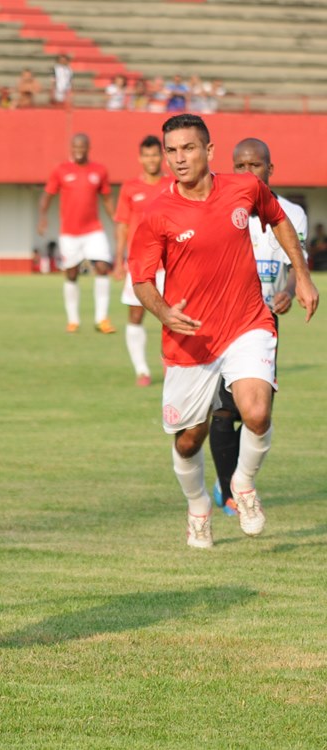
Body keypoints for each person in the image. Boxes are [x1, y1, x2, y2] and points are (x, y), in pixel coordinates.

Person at [129, 114, 318, 548]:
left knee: (256, 412)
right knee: (188, 441)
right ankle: (198, 508)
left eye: (188, 148)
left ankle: (242, 486)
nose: (178, 159)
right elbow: (141, 281)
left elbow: (279, 219)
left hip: (247, 323)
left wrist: (303, 275)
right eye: (171, 150)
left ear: (209, 151)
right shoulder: (157, 213)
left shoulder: (244, 188)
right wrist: (164, 312)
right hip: (190, 339)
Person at [210, 138, 308, 515]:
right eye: (240, 166)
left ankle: (236, 480)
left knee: (254, 413)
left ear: (270, 169)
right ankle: (229, 491)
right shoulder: (220, 209)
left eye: (255, 165)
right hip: (222, 322)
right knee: (222, 412)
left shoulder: (290, 214)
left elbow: (294, 264)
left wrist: (286, 290)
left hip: (263, 328)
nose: (247, 173)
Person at [37, 133, 117, 333]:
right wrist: (43, 218)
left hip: (93, 230)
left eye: (82, 147)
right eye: (75, 147)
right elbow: (47, 196)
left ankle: (102, 319)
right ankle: (73, 320)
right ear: (71, 148)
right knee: (71, 274)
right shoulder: (61, 170)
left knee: (102, 267)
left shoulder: (99, 171)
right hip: (69, 233)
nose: (78, 150)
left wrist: (116, 221)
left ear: (89, 148)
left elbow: (107, 199)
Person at [113, 135, 171, 386]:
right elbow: (123, 225)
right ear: (140, 158)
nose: (151, 160)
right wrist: (118, 259)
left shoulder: (173, 184)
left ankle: (171, 364)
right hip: (138, 265)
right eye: (146, 155)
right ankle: (142, 371)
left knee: (171, 317)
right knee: (136, 316)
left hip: (169, 265)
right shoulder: (130, 188)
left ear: (162, 156)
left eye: (155, 155)